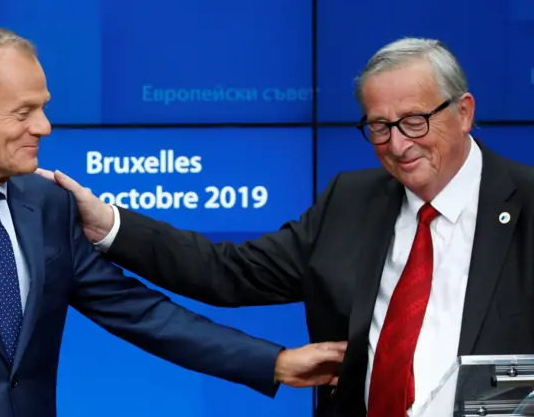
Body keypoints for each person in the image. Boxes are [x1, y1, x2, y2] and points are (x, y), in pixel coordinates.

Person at [37, 37, 534, 417]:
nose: (398, 144)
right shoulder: (351, 200)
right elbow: (227, 272)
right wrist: (109, 225)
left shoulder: (527, 203)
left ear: (463, 112)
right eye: (379, 126)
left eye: (414, 121)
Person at [0, 26, 348, 416]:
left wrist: (274, 361)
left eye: (43, 107)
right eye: (23, 112)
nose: (44, 126)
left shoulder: (48, 206)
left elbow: (141, 314)